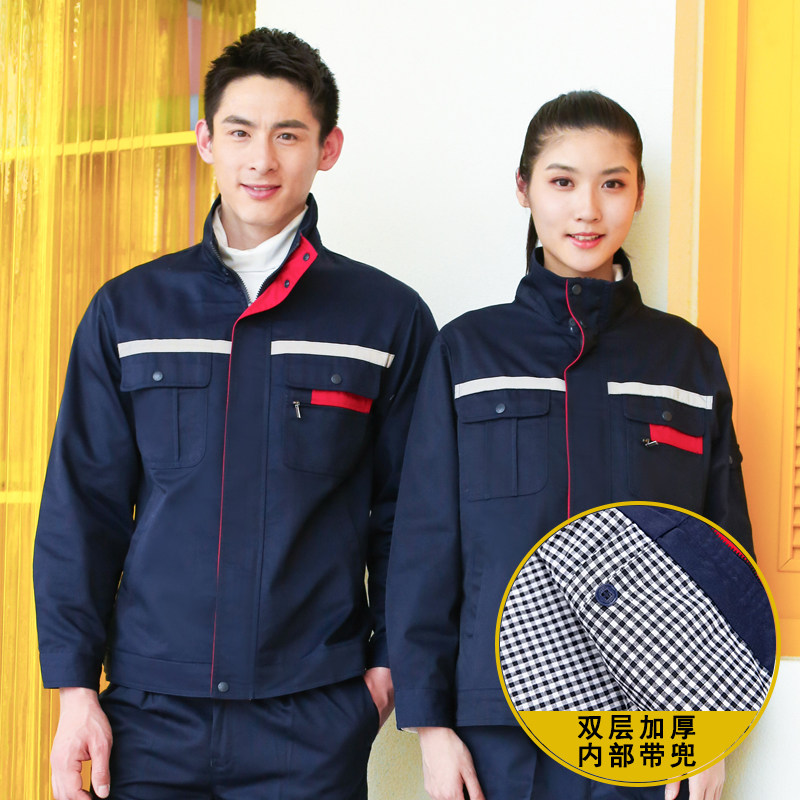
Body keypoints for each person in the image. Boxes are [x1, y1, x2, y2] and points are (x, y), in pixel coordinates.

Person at [34, 27, 436, 800]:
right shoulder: (129, 310)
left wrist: (386, 673)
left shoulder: (385, 319)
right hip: (151, 714)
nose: (262, 160)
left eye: (288, 134)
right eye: (241, 132)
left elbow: (411, 519)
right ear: (205, 141)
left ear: (328, 148)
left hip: (311, 717)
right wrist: (75, 689)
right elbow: (82, 508)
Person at [386, 91, 752, 800]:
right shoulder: (468, 351)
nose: (587, 209)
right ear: (523, 189)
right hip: (500, 727)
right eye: (562, 181)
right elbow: (426, 544)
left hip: (650, 721)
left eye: (612, 183)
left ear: (639, 195)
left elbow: (724, 551)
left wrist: (718, 725)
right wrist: (431, 728)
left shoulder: (687, 360)